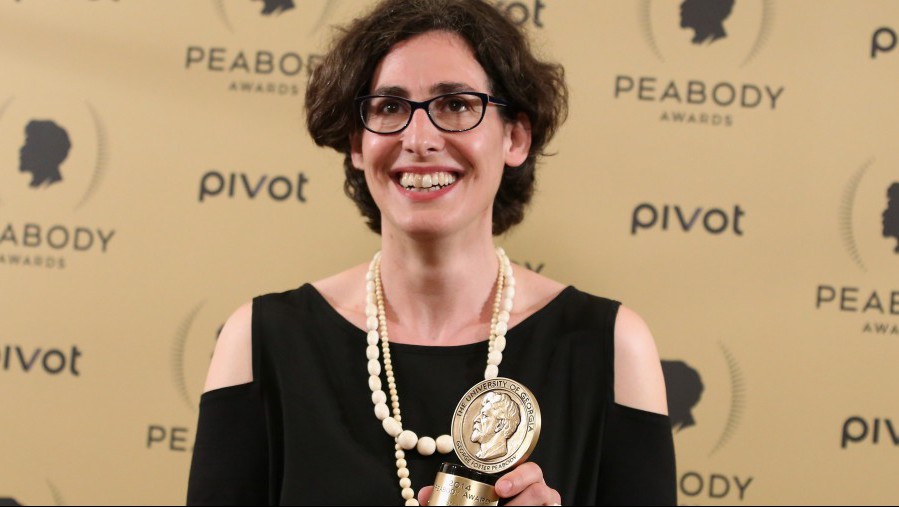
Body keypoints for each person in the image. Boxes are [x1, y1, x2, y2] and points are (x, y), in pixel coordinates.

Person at [187, 0, 676, 505]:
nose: (419, 139)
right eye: (389, 108)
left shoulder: (612, 348)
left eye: (457, 105)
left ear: (515, 136)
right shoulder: (261, 341)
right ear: (357, 144)